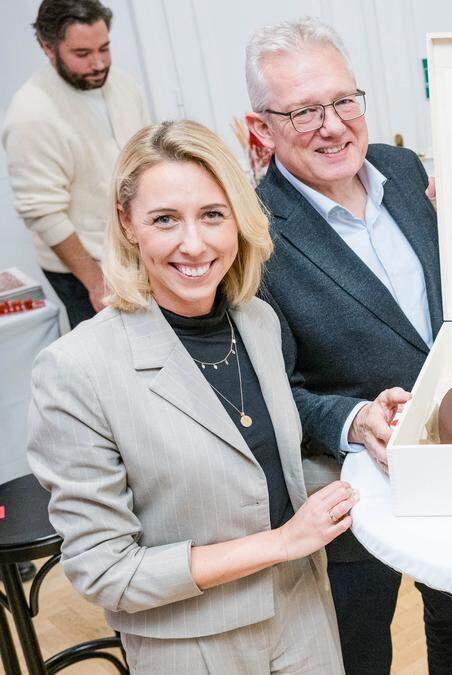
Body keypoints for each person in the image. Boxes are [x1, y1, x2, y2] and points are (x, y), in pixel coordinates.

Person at [26, 120, 350, 673]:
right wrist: (280, 543)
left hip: (303, 615)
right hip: (190, 645)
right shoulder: (75, 370)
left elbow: (267, 469)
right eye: (165, 220)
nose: (194, 244)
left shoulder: (257, 321)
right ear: (128, 224)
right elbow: (106, 571)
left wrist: (373, 452)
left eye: (212, 215)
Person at [244, 18, 452, 675]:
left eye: (342, 100)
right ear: (262, 126)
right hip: (352, 496)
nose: (331, 125)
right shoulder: (252, 236)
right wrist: (353, 419)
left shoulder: (404, 169)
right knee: (359, 653)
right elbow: (267, 389)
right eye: (303, 111)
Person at [1, 0, 149, 328]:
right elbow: (43, 213)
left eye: (104, 48)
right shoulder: (30, 116)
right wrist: (96, 281)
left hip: (133, 252)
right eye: (82, 54)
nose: (98, 63)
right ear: (47, 47)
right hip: (85, 268)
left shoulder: (123, 84)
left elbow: (144, 156)